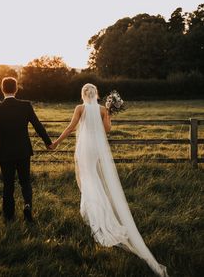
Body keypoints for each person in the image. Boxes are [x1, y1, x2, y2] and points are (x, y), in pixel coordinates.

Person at [50, 83, 169, 277]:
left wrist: (56, 142)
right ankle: (90, 208)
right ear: (96, 94)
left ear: (83, 94)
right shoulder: (103, 109)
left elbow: (71, 128)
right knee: (92, 178)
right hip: (96, 150)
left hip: (84, 149)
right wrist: (109, 113)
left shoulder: (80, 108)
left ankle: (96, 214)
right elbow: (107, 130)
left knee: (88, 179)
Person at [0, 77, 52, 222]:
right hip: (23, 151)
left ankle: (9, 215)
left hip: (5, 153)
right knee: (25, 181)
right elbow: (38, 125)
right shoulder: (26, 106)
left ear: (2, 89)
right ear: (16, 89)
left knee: (8, 184)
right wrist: (48, 142)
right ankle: (27, 205)